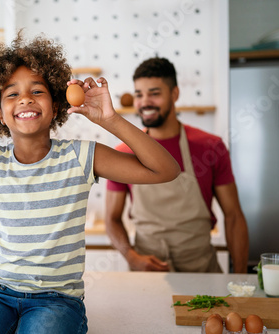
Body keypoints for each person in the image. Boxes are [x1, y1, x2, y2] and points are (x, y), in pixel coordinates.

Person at [0, 33, 180, 334]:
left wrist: (109, 120)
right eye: (12, 94)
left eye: (37, 90)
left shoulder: (82, 156)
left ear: (57, 106)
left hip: (57, 300)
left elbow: (165, 170)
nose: (25, 99)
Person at [105, 57, 249, 273]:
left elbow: (234, 216)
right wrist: (132, 257)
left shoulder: (210, 147)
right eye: (139, 94)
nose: (145, 102)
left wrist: (240, 279)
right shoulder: (124, 153)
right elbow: (112, 219)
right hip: (147, 274)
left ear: (175, 94)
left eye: (154, 93)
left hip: (201, 272)